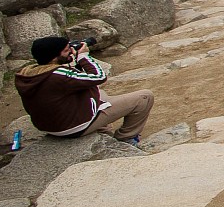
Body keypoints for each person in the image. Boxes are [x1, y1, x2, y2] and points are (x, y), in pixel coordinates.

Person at [19, 35, 154, 144]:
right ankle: (126, 138)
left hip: (50, 126)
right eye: (66, 51)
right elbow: (99, 77)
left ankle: (102, 129)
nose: (71, 51)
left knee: (100, 93)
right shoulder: (58, 76)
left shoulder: (27, 74)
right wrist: (83, 57)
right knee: (145, 97)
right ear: (54, 57)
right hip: (73, 128)